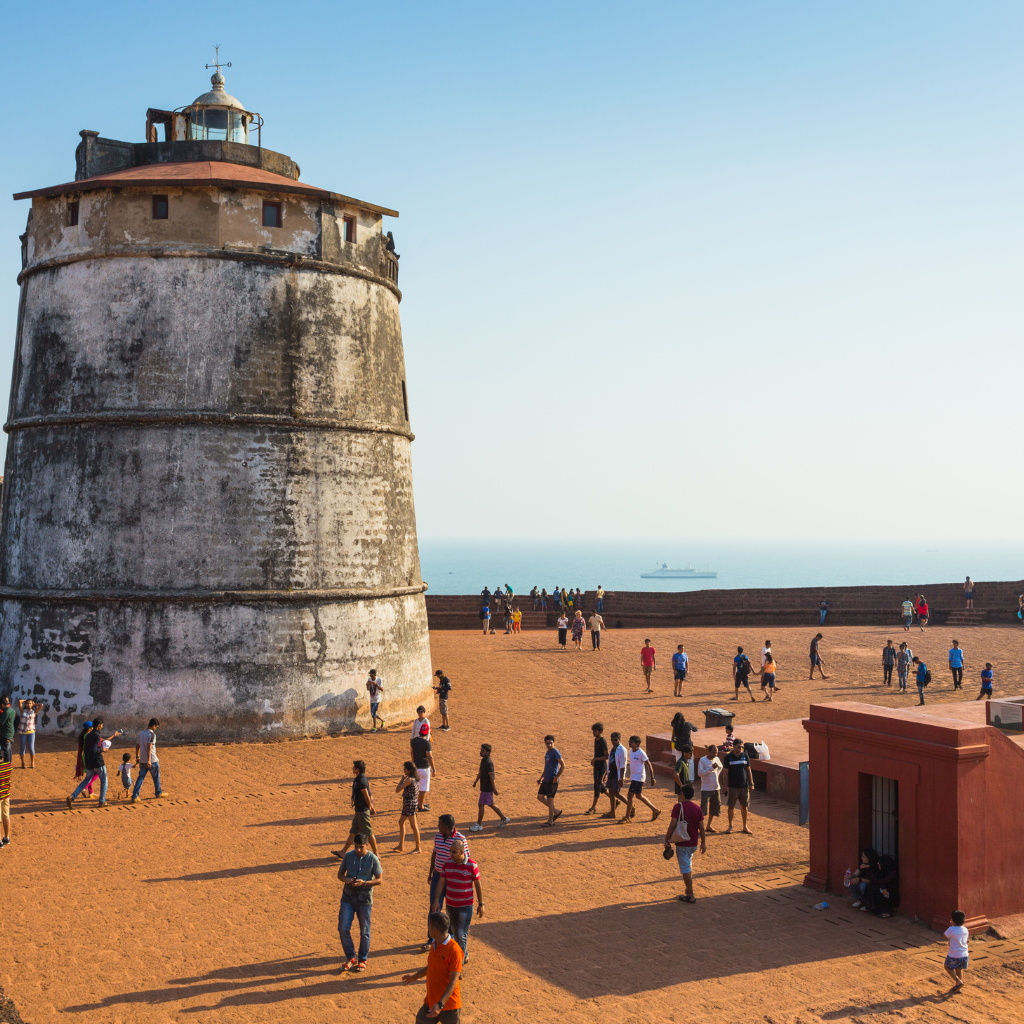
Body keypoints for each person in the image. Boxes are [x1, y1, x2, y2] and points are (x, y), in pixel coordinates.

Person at [403, 911, 463, 1024]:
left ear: (435, 929)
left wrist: (440, 1004)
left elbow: (454, 980)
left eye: (429, 926)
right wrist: (414, 977)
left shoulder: (454, 951)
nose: (428, 928)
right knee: (421, 1020)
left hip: (449, 1006)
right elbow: (431, 967)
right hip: (431, 1001)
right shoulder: (435, 944)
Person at [432, 838, 484, 964]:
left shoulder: (472, 865)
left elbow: (477, 884)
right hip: (451, 905)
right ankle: (463, 954)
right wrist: (436, 900)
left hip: (465, 906)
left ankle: (458, 965)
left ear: (462, 852)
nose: (451, 854)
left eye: (454, 852)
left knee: (461, 934)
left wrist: (481, 904)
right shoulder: (447, 864)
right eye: (450, 851)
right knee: (455, 931)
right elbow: (441, 882)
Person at [337, 831, 382, 973]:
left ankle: (362, 959)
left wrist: (365, 883)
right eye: (356, 846)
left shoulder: (373, 859)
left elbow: (379, 879)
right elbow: (340, 874)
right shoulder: (349, 856)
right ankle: (351, 957)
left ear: (367, 845)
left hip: (365, 900)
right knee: (343, 928)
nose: (357, 849)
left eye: (360, 847)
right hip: (348, 898)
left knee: (365, 932)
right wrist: (346, 880)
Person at [427, 816, 470, 948]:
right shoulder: (438, 836)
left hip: (451, 879)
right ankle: (432, 939)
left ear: (446, 826)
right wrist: (430, 872)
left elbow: (466, 860)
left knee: (452, 908)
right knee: (435, 907)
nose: (437, 826)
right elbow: (435, 854)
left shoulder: (460, 839)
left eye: (439, 824)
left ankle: (449, 938)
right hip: (437, 876)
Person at [664, 783, 706, 903]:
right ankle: (688, 889)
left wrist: (667, 839)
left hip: (682, 843)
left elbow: (672, 825)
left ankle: (691, 895)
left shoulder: (678, 807)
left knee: (685, 869)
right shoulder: (697, 808)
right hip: (693, 843)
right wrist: (703, 843)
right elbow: (701, 828)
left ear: (682, 794)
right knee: (688, 864)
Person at [66, 719, 123, 807]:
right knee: (104, 781)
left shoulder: (88, 736)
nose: (102, 727)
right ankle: (102, 801)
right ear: (98, 725)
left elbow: (87, 749)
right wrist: (102, 749)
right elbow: (94, 749)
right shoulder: (97, 735)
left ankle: (72, 796)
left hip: (89, 762)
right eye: (102, 725)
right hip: (97, 761)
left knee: (86, 780)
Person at [336, 759, 377, 856]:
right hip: (359, 810)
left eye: (354, 767)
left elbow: (367, 796)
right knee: (353, 832)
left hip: (362, 811)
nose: (352, 769)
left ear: (357, 769)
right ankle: (342, 852)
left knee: (369, 832)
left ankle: (376, 853)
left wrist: (370, 807)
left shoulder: (361, 781)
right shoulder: (360, 778)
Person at [618, 735, 661, 824]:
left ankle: (627, 817)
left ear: (637, 743)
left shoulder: (641, 753)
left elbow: (648, 764)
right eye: (629, 741)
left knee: (630, 795)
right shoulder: (631, 751)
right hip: (634, 777)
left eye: (632, 742)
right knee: (639, 796)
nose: (629, 743)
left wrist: (652, 777)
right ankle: (655, 810)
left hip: (639, 777)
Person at [470, 743, 510, 830]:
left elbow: (492, 776)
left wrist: (494, 788)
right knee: (491, 804)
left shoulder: (488, 762)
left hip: (487, 788)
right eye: (481, 750)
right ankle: (504, 819)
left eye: (483, 751)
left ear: (488, 752)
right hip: (484, 786)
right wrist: (475, 781)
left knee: (481, 804)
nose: (480, 752)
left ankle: (479, 824)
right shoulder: (483, 760)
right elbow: (480, 772)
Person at [722, 738, 754, 834]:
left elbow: (748, 770)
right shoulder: (728, 757)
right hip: (732, 786)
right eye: (739, 747)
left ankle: (745, 826)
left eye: (742, 747)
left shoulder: (745, 756)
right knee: (731, 806)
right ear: (734, 746)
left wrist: (751, 783)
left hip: (744, 786)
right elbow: (725, 773)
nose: (741, 749)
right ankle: (730, 826)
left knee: (744, 806)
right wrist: (725, 786)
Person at [131, 718, 163, 802]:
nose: (156, 728)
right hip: (152, 760)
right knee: (156, 777)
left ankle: (134, 796)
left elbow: (137, 745)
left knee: (140, 778)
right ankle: (158, 792)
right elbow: (149, 747)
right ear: (153, 726)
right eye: (156, 726)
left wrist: (137, 756)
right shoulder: (151, 734)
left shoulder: (141, 733)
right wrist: (149, 760)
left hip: (142, 760)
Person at [394, 761, 421, 853]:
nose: (404, 770)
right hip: (412, 803)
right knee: (402, 822)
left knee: (413, 825)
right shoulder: (416, 778)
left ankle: (417, 847)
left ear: (409, 770)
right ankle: (401, 845)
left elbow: (397, 790)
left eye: (405, 769)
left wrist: (402, 780)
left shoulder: (409, 780)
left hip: (409, 804)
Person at [537, 735, 564, 826]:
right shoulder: (547, 753)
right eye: (547, 743)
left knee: (550, 800)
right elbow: (546, 767)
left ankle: (550, 821)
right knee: (540, 797)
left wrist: (556, 777)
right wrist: (541, 778)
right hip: (546, 779)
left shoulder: (555, 752)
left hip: (552, 781)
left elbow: (563, 765)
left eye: (550, 743)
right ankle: (556, 811)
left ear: (553, 743)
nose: (549, 745)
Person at [601, 731, 629, 818]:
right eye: (612, 740)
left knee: (616, 793)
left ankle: (630, 805)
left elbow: (623, 765)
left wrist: (621, 778)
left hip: (617, 775)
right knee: (611, 793)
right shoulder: (613, 748)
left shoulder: (622, 750)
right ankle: (612, 812)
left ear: (619, 739)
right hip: (611, 773)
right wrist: (606, 773)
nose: (613, 742)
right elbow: (610, 762)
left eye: (615, 740)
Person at [697, 744, 723, 832]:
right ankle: (699, 827)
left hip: (716, 787)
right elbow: (700, 773)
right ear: (708, 751)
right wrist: (711, 768)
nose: (715, 754)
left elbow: (721, 767)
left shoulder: (717, 759)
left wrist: (717, 774)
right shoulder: (703, 760)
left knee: (714, 807)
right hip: (706, 788)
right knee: (703, 808)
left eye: (716, 752)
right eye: (713, 752)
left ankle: (709, 825)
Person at [585, 723, 609, 815]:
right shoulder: (596, 739)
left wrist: (595, 759)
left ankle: (593, 808)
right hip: (597, 766)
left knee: (597, 786)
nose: (593, 733)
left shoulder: (603, 741)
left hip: (601, 766)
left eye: (595, 731)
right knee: (599, 785)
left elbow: (606, 756)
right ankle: (614, 800)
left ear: (600, 731)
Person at [669, 712, 698, 789]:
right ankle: (691, 779)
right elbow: (695, 729)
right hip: (688, 746)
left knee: (679, 761)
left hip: (678, 746)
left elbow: (673, 738)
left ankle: (681, 779)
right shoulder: (688, 725)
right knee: (690, 762)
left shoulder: (675, 727)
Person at [943, 910, 969, 993]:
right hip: (964, 955)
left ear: (953, 920)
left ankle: (958, 981)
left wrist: (951, 925)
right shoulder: (965, 929)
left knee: (947, 967)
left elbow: (944, 936)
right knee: (959, 970)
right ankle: (958, 988)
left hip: (954, 955)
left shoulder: (951, 929)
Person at [411, 723, 435, 813]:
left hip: (416, 767)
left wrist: (413, 762)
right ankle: (420, 806)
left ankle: (420, 803)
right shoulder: (427, 744)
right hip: (424, 768)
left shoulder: (414, 741)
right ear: (427, 732)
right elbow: (430, 757)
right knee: (423, 788)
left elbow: (412, 752)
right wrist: (434, 769)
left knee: (417, 787)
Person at [16, 697, 42, 769]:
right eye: (27, 703)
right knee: (22, 748)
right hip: (22, 732)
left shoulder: (34, 711)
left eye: (30, 703)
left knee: (31, 748)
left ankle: (32, 762)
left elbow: (41, 705)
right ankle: (23, 763)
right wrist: (25, 701)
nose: (28, 705)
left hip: (31, 732)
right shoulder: (22, 710)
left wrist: (33, 704)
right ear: (25, 704)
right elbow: (19, 701)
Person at [0, 696, 14, 764]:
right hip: (10, 732)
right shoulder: (12, 710)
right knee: (9, 749)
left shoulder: (6, 712)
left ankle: (7, 763)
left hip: (6, 733)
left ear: (2, 704)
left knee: (6, 750)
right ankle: (9, 763)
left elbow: (1, 723)